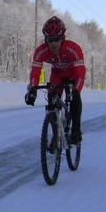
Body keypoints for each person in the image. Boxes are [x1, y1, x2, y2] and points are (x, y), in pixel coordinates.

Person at [25, 16, 86, 144]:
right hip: (57, 75)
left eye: (56, 39)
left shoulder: (73, 49)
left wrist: (76, 90)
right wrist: (32, 90)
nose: (53, 43)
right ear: (46, 39)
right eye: (49, 40)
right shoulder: (41, 51)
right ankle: (55, 134)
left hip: (73, 75)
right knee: (52, 101)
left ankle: (76, 129)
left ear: (62, 38)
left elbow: (80, 73)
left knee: (75, 98)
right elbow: (35, 73)